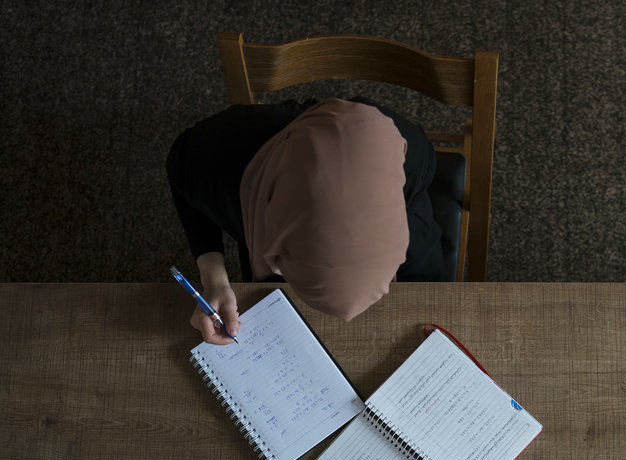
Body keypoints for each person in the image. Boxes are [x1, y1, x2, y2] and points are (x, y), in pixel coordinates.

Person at [166, 97, 446, 345]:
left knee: (428, 292)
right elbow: (178, 174)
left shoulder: (413, 154)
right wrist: (214, 277)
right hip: (246, 176)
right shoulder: (212, 161)